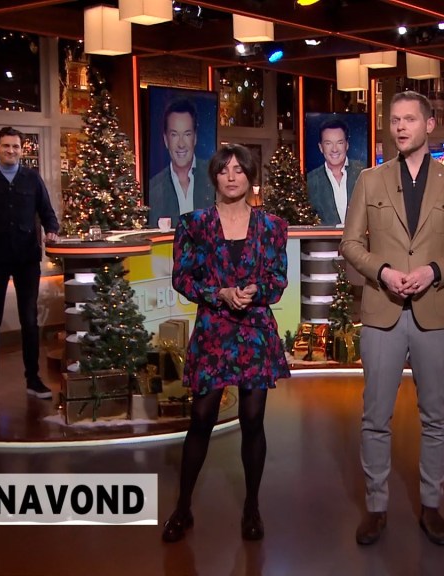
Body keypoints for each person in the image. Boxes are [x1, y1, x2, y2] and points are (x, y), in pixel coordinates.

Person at [340, 91, 444, 547]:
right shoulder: (370, 180)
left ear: (430, 124)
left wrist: (433, 271)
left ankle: (431, 506)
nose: (400, 127)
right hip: (382, 312)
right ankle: (376, 507)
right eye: (395, 120)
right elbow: (350, 243)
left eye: (409, 119)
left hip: (434, 313)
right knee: (375, 416)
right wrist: (383, 271)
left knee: (436, 416)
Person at [161, 143, 290, 543]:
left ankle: (251, 508)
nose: (232, 176)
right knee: (201, 418)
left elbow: (278, 279)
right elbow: (182, 278)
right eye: (224, 170)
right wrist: (217, 293)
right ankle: (183, 508)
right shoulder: (194, 225)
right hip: (214, 330)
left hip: (254, 330)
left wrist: (255, 291)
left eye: (239, 169)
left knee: (253, 420)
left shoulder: (272, 226)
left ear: (251, 177)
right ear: (214, 177)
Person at [0, 127, 60, 405]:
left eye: (15, 146)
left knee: (29, 320)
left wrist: (52, 230)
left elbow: (47, 213)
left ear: (22, 150)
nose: (11, 151)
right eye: (6, 146)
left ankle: (34, 380)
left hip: (27, 259)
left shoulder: (32, 179)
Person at [147, 98, 215, 229]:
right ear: (166, 140)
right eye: (174, 135)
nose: (181, 144)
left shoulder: (214, 179)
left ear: (195, 138)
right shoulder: (153, 190)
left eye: (187, 134)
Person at [306, 116, 366, 225]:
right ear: (321, 147)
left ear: (347, 145)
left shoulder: (364, 173)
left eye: (339, 143)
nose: (334, 149)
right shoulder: (310, 182)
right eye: (328, 143)